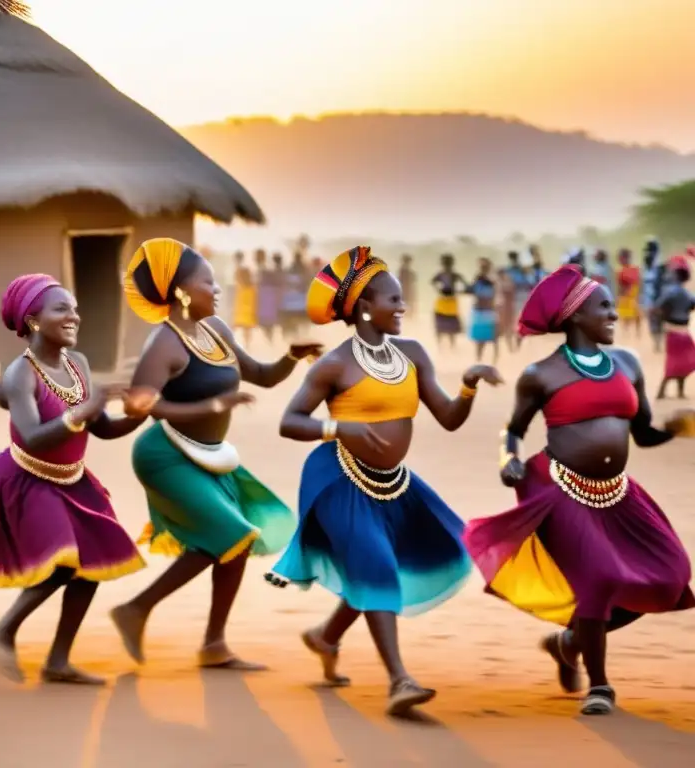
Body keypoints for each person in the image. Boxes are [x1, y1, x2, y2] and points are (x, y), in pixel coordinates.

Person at [265, 246, 500, 716]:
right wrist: (340, 427)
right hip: (337, 478)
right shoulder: (333, 364)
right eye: (393, 299)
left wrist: (469, 385)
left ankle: (325, 636)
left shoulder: (411, 354)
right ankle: (399, 680)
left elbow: (450, 418)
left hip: (391, 481)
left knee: (418, 551)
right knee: (375, 565)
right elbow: (289, 422)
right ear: (364, 306)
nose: (402, 307)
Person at [463, 264, 695, 716]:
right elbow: (512, 432)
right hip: (558, 489)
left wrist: (677, 429)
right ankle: (600, 686)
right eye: (603, 307)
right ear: (574, 317)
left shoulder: (627, 363)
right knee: (599, 579)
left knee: (670, 575)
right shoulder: (540, 374)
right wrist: (506, 460)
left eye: (611, 306)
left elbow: (643, 434)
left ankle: (570, 640)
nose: (613, 314)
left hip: (616, 493)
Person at [110, 238, 321, 669]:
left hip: (210, 455)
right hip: (166, 456)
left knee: (234, 542)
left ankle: (213, 645)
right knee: (232, 535)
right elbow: (140, 404)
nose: (217, 289)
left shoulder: (217, 331)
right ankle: (135, 609)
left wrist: (291, 356)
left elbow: (261, 376)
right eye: (208, 281)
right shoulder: (164, 345)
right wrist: (210, 407)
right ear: (182, 291)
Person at [0, 274, 152, 685]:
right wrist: (84, 408)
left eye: (74, 308)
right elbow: (36, 438)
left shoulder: (80, 365)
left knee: (91, 565)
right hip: (26, 480)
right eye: (62, 309)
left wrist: (140, 414)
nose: (74, 316)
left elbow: (102, 428)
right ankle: (1, 631)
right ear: (33, 320)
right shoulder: (20, 376)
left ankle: (58, 661)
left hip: (73, 480)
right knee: (64, 562)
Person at [655, 256, 695, 399]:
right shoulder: (688, 294)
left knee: (674, 362)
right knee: (684, 361)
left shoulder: (669, 292)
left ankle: (664, 390)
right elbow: (692, 307)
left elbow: (658, 307)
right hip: (683, 331)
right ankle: (675, 391)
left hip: (672, 330)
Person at [467, 257, 499, 362]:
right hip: (481, 311)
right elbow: (470, 290)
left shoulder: (490, 280)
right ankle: (480, 359)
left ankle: (494, 359)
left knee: (492, 336)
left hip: (486, 311)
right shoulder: (479, 279)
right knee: (482, 338)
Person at [430, 254, 465, 346]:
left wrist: (458, 291)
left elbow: (465, 284)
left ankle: (451, 345)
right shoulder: (441, 274)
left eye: (448, 263)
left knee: (450, 325)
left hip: (450, 301)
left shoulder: (454, 275)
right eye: (445, 263)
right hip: (443, 300)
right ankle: (440, 345)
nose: (446, 265)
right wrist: (438, 290)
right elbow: (432, 282)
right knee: (441, 323)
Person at [642, 238, 667, 352]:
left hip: (659, 298)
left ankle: (659, 341)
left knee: (660, 321)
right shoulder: (645, 268)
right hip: (649, 299)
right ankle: (656, 342)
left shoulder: (661, 267)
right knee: (652, 321)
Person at [231, 251, 257, 348]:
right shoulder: (252, 288)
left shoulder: (239, 287)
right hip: (248, 312)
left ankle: (229, 344)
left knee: (232, 327)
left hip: (240, 311)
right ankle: (247, 345)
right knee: (247, 330)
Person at [256, 251, 282, 344]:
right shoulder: (273, 273)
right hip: (270, 300)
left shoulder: (262, 284)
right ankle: (270, 340)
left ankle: (270, 340)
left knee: (266, 324)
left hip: (266, 300)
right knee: (269, 324)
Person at [615, 248, 641, 338]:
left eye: (620, 258)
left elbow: (638, 283)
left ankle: (637, 334)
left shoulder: (634, 269)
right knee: (625, 316)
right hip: (625, 296)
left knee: (636, 315)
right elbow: (619, 285)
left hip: (633, 294)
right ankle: (626, 334)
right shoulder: (620, 271)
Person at [398, 254, 417, 319]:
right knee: (407, 303)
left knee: (408, 303)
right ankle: (408, 316)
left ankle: (409, 316)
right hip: (405, 289)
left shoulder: (404, 270)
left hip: (406, 289)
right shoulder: (404, 270)